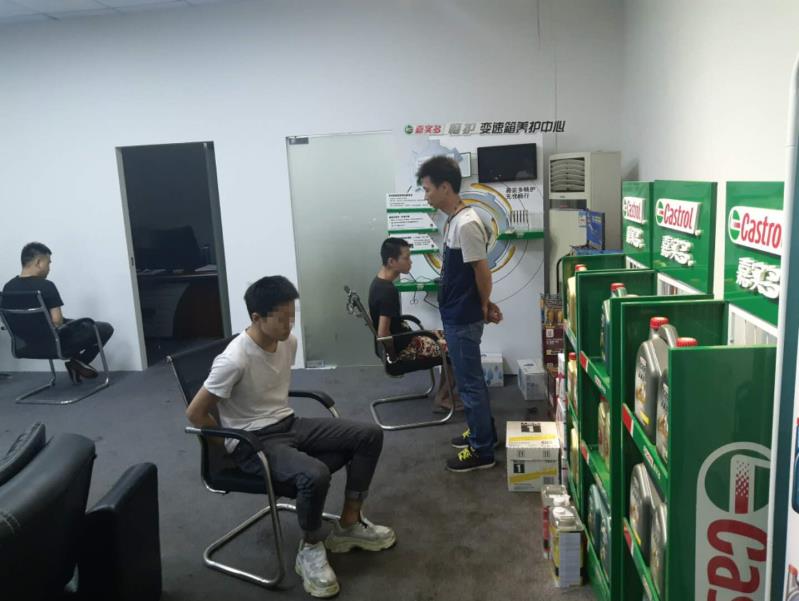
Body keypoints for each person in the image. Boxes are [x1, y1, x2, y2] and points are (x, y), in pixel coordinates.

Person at [185, 276, 395, 599]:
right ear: (256, 318)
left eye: (292, 315)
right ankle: (309, 548)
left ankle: (349, 525)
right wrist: (226, 448)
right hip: (253, 441)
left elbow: (269, 390)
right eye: (281, 318)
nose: (289, 324)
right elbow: (195, 413)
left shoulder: (288, 342)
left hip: (288, 424)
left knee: (369, 435)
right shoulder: (233, 359)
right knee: (315, 474)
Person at [416, 156, 503, 473]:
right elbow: (469, 274)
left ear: (445, 187)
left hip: (464, 316)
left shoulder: (466, 223)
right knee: (470, 380)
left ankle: (482, 450)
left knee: (469, 384)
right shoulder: (455, 220)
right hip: (457, 312)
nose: (426, 196)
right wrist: (485, 303)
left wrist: (484, 305)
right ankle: (484, 433)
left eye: (428, 189)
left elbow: (482, 271)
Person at [368, 237, 459, 412]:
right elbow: (383, 334)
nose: (410, 261)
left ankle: (445, 392)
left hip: (404, 340)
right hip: (402, 350)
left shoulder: (378, 283)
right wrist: (394, 358)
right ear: (392, 261)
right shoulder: (387, 292)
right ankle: (442, 397)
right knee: (455, 345)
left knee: (450, 336)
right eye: (406, 258)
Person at [2, 242, 113, 382]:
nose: (49, 268)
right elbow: (57, 321)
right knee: (103, 328)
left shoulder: (8, 287)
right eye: (48, 263)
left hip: (26, 345)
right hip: (54, 344)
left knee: (76, 324)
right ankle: (79, 362)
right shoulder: (46, 286)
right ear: (39, 262)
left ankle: (77, 364)